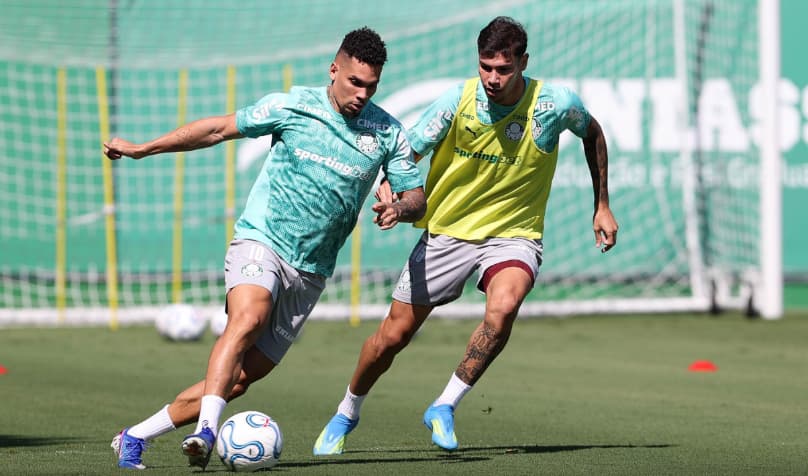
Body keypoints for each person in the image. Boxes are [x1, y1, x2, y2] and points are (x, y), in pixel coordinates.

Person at [106, 27, 426, 470]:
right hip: (262, 240)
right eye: (355, 82)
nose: (362, 94)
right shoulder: (293, 106)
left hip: (311, 270)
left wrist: (399, 209)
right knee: (248, 317)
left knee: (240, 380)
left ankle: (135, 436)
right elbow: (217, 129)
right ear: (334, 69)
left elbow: (416, 198)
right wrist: (144, 149)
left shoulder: (388, 131)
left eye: (371, 87)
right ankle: (207, 431)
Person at [313, 16, 618, 455]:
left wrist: (601, 204)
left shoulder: (554, 104)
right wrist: (392, 188)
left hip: (514, 233)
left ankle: (444, 405)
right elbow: (408, 152)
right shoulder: (457, 101)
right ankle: (347, 411)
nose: (493, 78)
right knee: (391, 338)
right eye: (485, 67)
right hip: (448, 232)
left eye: (503, 69)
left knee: (504, 308)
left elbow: (593, 133)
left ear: (523, 62)